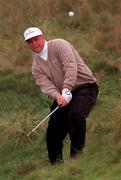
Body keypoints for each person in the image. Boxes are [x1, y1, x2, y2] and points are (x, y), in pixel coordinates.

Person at [23, 27, 99, 165]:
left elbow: (70, 66)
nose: (34, 43)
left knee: (75, 115)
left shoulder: (59, 45)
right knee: (53, 131)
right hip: (62, 95)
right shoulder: (36, 66)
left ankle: (77, 158)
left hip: (85, 87)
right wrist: (58, 96)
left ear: (42, 37)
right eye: (30, 42)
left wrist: (66, 89)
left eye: (36, 39)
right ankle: (56, 166)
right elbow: (46, 86)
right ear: (28, 44)